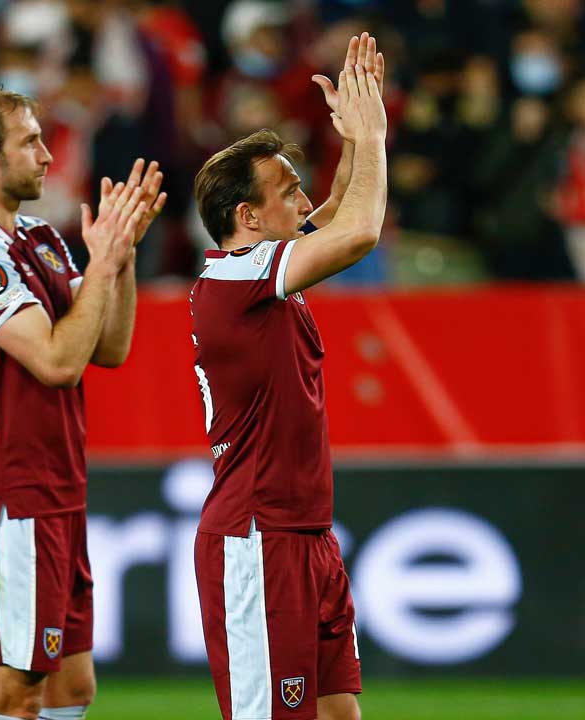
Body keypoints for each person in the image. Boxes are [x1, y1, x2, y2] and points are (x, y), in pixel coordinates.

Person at [0, 83, 165, 720]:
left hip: (57, 489)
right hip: (11, 492)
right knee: (12, 692)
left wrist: (120, 260)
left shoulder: (40, 238)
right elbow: (58, 362)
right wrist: (102, 263)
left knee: (71, 687)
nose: (47, 154)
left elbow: (107, 348)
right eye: (29, 140)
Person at [188, 33, 387, 720]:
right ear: (245, 218)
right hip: (258, 540)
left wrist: (356, 141)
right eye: (289, 191)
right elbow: (358, 231)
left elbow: (334, 215)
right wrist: (376, 138)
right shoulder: (237, 277)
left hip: (305, 537)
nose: (306, 202)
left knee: (336, 715)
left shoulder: (259, 275)